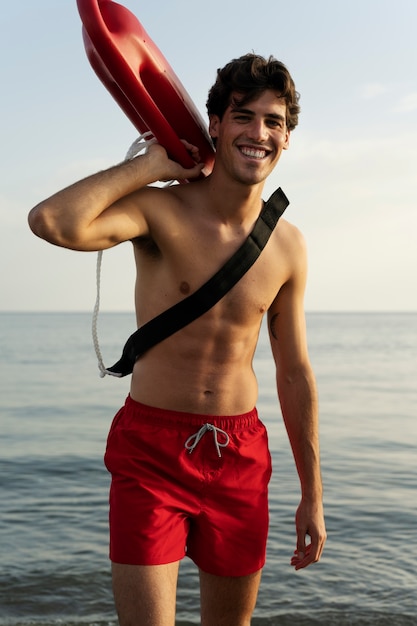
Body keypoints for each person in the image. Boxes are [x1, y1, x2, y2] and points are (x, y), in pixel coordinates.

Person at [28, 53, 326, 626]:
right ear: (215, 124)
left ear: (287, 138)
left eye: (273, 122)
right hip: (152, 451)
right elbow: (52, 222)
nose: (257, 133)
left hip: (239, 455)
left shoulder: (288, 245)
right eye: (243, 116)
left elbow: (295, 373)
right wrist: (147, 167)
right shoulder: (160, 210)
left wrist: (312, 494)